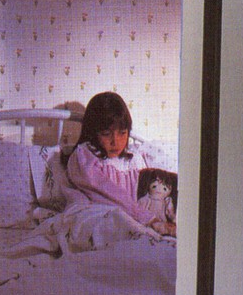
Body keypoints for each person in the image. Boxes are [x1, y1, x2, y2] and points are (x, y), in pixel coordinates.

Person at [65, 92, 176, 236]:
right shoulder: (85, 156)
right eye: (106, 134)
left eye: (122, 132)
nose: (115, 142)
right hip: (99, 215)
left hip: (135, 217)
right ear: (93, 132)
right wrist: (148, 219)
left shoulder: (134, 158)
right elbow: (107, 193)